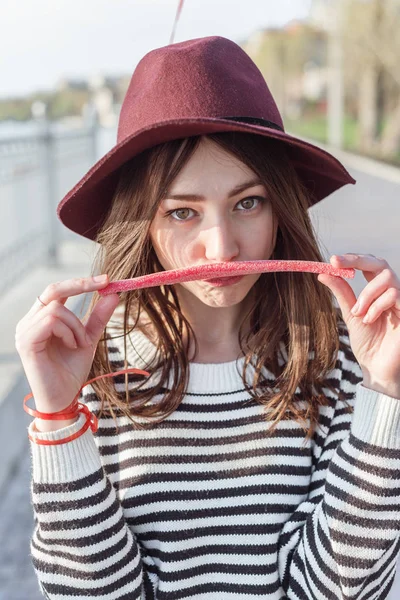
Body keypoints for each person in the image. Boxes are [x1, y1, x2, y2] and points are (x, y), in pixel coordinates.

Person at [15, 36, 400, 600]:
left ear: (281, 205)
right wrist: (57, 416)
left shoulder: (339, 360)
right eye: (182, 211)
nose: (221, 246)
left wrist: (385, 390)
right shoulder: (91, 374)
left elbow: (343, 589)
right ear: (141, 221)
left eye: (248, 202)